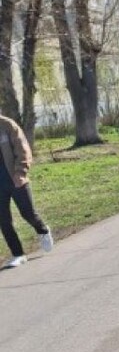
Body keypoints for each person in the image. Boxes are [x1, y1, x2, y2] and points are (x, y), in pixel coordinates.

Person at [0, 112, 53, 269]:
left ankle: (42, 230)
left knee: (28, 213)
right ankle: (18, 254)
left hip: (15, 178)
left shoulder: (7, 125)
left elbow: (23, 149)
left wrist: (21, 172)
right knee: (4, 221)